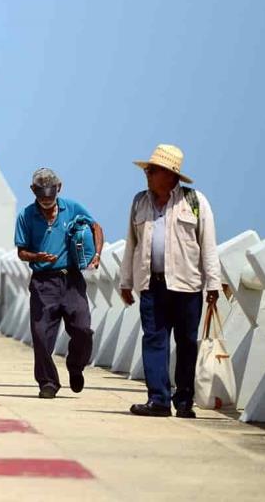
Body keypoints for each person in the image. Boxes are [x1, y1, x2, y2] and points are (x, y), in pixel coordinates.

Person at [120, 144, 219, 419]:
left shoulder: (195, 201)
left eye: (153, 170)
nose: (147, 174)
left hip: (187, 285)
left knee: (187, 342)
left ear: (170, 175)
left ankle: (184, 401)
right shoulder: (140, 202)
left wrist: (213, 284)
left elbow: (208, 244)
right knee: (154, 340)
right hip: (152, 285)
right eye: (148, 170)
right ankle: (158, 400)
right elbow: (132, 243)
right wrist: (125, 281)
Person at [14, 168, 104, 399]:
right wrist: (37, 257)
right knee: (41, 334)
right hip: (44, 283)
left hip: (71, 279)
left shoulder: (72, 208)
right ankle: (48, 382)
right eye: (41, 196)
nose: (46, 201)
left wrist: (97, 255)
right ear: (33, 191)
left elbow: (96, 227)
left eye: (50, 196)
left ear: (59, 189)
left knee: (83, 329)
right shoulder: (26, 216)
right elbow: (21, 252)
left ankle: (75, 366)